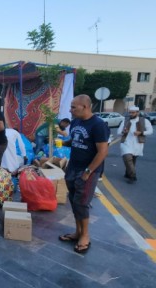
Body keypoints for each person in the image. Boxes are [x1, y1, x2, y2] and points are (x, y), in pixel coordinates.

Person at [60, 94, 108, 254]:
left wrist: (88, 172)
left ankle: (85, 236)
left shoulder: (98, 125)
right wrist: (60, 141)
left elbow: (102, 152)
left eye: (74, 107)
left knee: (82, 203)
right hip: (72, 167)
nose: (70, 109)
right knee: (74, 202)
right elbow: (74, 141)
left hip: (88, 171)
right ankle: (78, 232)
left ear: (85, 107)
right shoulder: (75, 122)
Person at [117, 105, 153, 184]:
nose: (131, 114)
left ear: (137, 113)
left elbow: (150, 131)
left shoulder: (144, 121)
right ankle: (133, 176)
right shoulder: (125, 121)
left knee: (132, 160)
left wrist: (141, 132)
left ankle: (127, 173)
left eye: (133, 113)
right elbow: (118, 132)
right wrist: (123, 132)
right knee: (127, 158)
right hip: (126, 143)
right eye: (129, 113)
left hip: (137, 144)